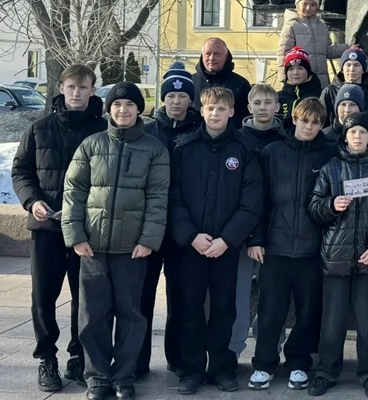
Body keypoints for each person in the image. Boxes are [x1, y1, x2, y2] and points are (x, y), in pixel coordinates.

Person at [62, 82, 169, 400]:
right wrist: (76, 236)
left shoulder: (154, 149)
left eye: (130, 105)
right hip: (92, 247)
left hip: (132, 250)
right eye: (117, 105)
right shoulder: (91, 145)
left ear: (139, 110)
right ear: (109, 109)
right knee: (92, 315)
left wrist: (148, 239)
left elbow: (158, 197)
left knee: (130, 315)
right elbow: (74, 192)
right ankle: (97, 376)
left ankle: (124, 376)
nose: (123, 110)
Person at [12, 64, 107, 391]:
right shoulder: (40, 129)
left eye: (83, 87)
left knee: (85, 299)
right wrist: (31, 201)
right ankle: (47, 359)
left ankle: (79, 356)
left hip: (87, 230)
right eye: (71, 87)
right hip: (46, 228)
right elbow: (21, 171)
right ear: (61, 88)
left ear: (92, 90)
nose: (76, 93)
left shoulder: (104, 131)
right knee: (43, 298)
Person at [168, 86, 263, 395]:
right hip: (191, 246)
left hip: (226, 247)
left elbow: (251, 203)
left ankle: (223, 368)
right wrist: (191, 236)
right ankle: (192, 369)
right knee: (190, 309)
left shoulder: (244, 149)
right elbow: (173, 198)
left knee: (224, 309)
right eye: (210, 108)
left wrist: (227, 239)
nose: (215, 114)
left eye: (221, 109)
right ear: (202, 110)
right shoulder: (184, 148)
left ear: (232, 112)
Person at [246, 98, 337, 391]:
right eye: (304, 120)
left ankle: (298, 362)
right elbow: (259, 201)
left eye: (315, 123)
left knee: (308, 311)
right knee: (271, 310)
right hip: (275, 246)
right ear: (294, 119)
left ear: (322, 125)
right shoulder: (272, 152)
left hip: (312, 250)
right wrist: (256, 238)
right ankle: (264, 364)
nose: (309, 127)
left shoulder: (329, 155)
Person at [307, 112, 368, 399]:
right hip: (335, 256)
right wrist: (331, 205)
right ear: (345, 137)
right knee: (332, 321)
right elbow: (314, 208)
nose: (357, 137)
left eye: (362, 132)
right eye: (352, 132)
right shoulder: (331, 168)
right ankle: (326, 372)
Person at [140, 62, 202, 378]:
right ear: (163, 98)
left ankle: (178, 358)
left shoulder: (199, 131)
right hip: (149, 227)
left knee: (182, 298)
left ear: (190, 99)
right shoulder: (147, 131)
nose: (176, 101)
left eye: (182, 95)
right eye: (171, 95)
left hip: (184, 228)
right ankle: (137, 360)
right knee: (141, 297)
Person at [231, 83, 284, 361]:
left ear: (277, 106)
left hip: (276, 230)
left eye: (268, 102)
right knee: (238, 295)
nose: (263, 108)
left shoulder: (287, 139)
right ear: (249, 106)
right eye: (258, 103)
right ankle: (233, 350)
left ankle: (269, 350)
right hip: (241, 231)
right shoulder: (236, 139)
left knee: (273, 297)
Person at [277, 0, 349, 80]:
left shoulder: (322, 27)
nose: (308, 8)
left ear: (317, 6)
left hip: (321, 80)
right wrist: (284, 77)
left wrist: (348, 48)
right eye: (305, 4)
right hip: (301, 80)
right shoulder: (291, 26)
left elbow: (328, 50)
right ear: (297, 4)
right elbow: (283, 53)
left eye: (312, 5)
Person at [191, 38, 252, 128]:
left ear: (226, 56)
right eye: (208, 54)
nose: (212, 58)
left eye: (217, 54)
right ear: (202, 56)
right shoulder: (191, 82)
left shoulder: (241, 84)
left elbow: (247, 118)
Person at [320, 46, 368, 125]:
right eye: (348, 65)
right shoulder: (330, 92)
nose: (352, 69)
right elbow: (322, 120)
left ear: (363, 69)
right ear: (342, 69)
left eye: (356, 65)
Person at [278, 47, 324, 132]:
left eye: (300, 68)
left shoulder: (320, 95)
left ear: (308, 71)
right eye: (291, 69)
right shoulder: (278, 97)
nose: (295, 73)